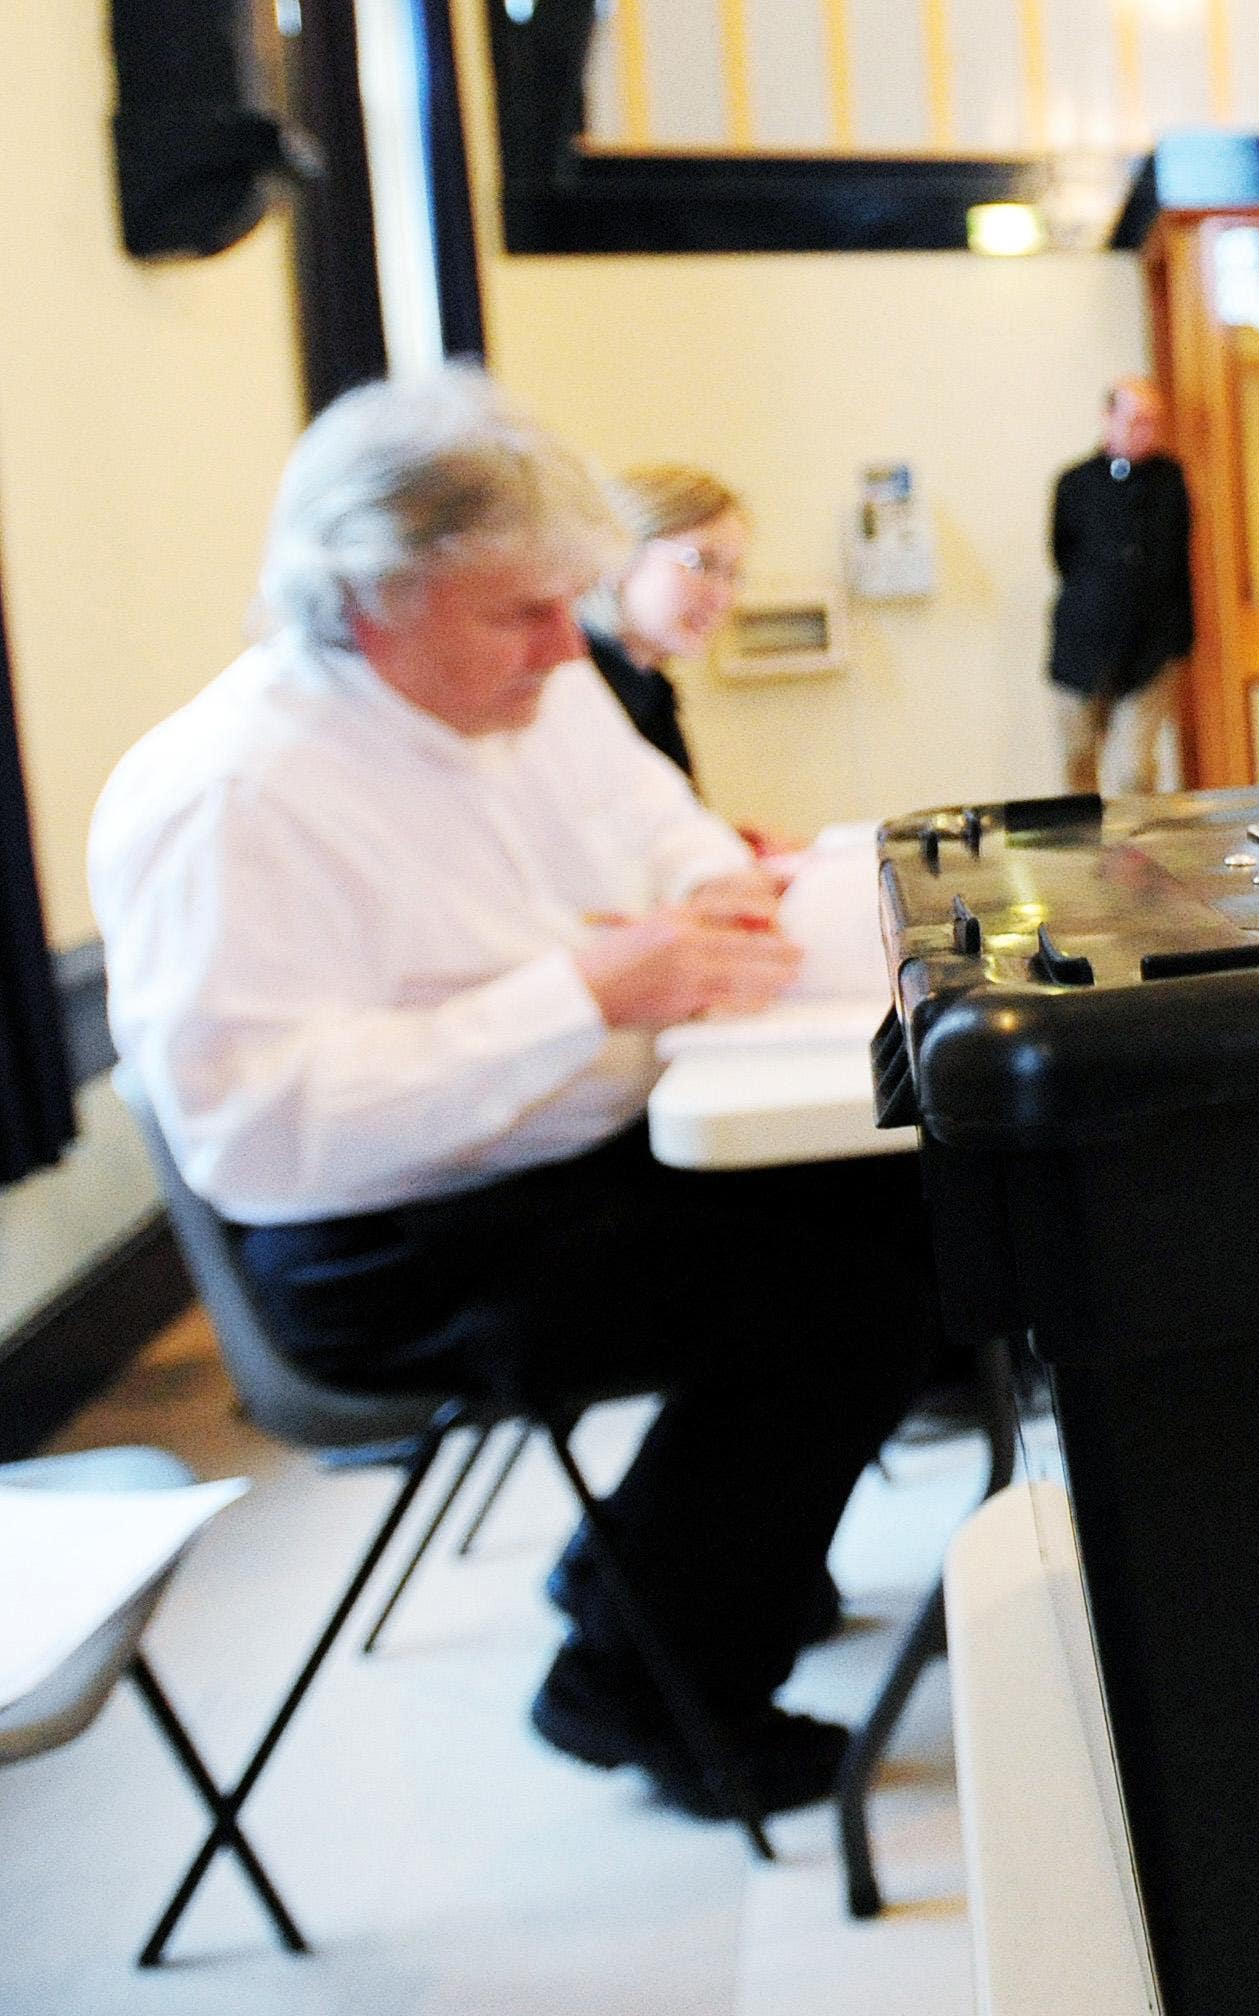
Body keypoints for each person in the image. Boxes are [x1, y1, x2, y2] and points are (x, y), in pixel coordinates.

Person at [89, 369, 935, 1821]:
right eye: (520, 614)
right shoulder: (227, 795)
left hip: (556, 1151)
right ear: (365, 600)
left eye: (567, 602)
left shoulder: (524, 683)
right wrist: (587, 996)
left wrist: (705, 885)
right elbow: (263, 1129)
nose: (565, 645)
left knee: (914, 1191)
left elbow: (648, 820)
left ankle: (669, 1577)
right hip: (380, 1241)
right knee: (847, 1288)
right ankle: (639, 1683)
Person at [1046, 380, 1192, 795]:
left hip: (1149, 650)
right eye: (1136, 420)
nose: (1146, 430)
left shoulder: (1168, 481)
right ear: (1109, 418)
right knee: (1078, 766)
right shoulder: (1074, 484)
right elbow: (1062, 556)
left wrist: (1180, 641)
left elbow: (1178, 561)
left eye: (1153, 422)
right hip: (1082, 648)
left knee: (1135, 771)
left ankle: (1135, 860)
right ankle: (1086, 859)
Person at [580, 464, 749, 781]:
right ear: (618, 555)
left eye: (732, 574)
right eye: (702, 563)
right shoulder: (575, 690)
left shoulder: (650, 687)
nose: (722, 598)